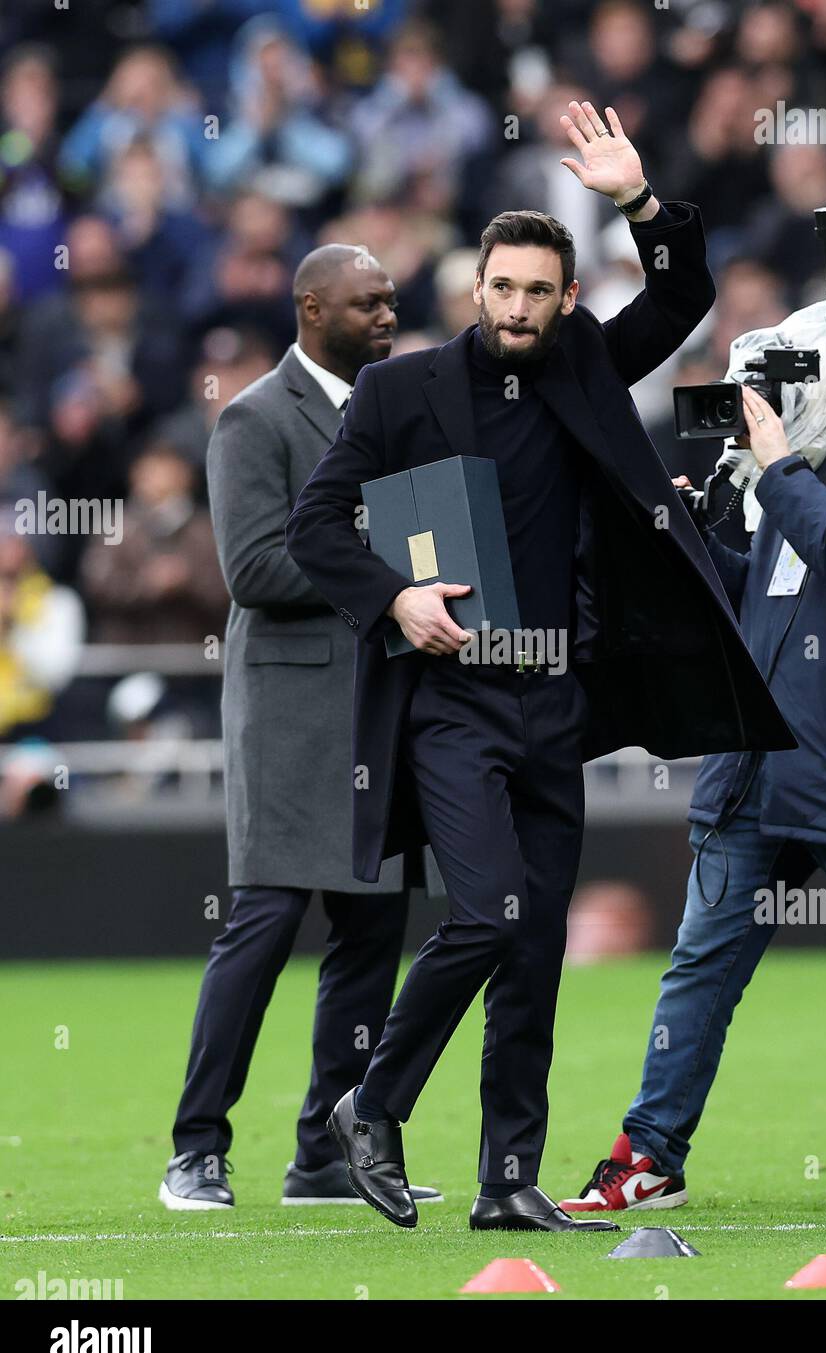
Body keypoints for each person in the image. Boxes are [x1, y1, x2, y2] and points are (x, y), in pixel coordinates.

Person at [285, 100, 792, 1233]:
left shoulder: (585, 370)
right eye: (500, 287)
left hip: (556, 702)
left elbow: (682, 296)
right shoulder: (397, 391)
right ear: (476, 287)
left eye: (538, 291)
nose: (517, 308)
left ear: (568, 300)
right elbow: (316, 529)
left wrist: (640, 203)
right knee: (490, 911)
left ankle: (508, 1179)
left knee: (536, 944)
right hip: (452, 703)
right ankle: (373, 1102)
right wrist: (397, 597)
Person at [562, 257, 826, 1217]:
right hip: (765, 744)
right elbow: (766, 579)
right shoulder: (822, 438)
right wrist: (677, 526)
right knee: (700, 963)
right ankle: (649, 1155)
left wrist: (780, 467)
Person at [160, 243, 443, 1211]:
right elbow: (254, 571)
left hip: (382, 702)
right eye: (367, 304)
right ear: (311, 308)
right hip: (289, 711)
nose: (386, 318)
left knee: (372, 925)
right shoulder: (254, 417)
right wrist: (388, 573)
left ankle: (325, 1151)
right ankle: (195, 1147)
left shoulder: (397, 410)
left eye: (393, 302)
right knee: (266, 920)